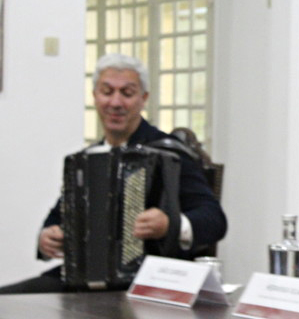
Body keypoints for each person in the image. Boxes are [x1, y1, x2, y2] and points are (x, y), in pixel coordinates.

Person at [0, 53, 227, 293]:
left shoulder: (168, 153)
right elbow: (59, 217)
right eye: (107, 92)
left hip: (150, 281)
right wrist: (47, 237)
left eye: (127, 93)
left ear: (143, 98)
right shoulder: (87, 161)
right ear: (95, 96)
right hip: (83, 279)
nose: (116, 103)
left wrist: (170, 225)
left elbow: (214, 220)